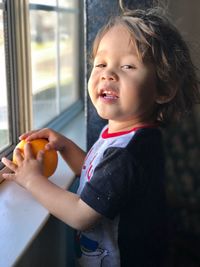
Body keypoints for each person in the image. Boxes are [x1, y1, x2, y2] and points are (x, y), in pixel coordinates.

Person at [2, 7, 200, 267]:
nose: (108, 74)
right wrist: (66, 146)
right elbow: (102, 179)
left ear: (162, 89)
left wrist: (33, 180)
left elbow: (80, 214)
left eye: (128, 66)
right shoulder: (128, 135)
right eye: (101, 64)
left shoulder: (128, 154)